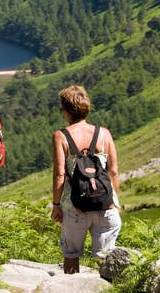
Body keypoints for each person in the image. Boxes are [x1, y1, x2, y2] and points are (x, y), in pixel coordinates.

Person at [50, 85, 121, 273]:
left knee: (71, 255)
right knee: (105, 260)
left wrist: (56, 205)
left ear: (66, 111)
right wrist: (115, 201)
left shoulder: (61, 136)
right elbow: (113, 171)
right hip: (106, 206)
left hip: (75, 208)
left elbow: (59, 174)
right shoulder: (104, 133)